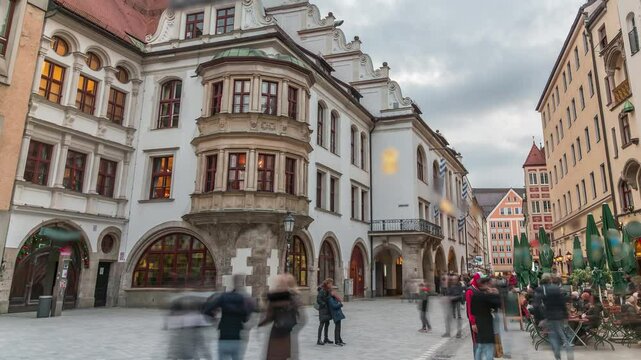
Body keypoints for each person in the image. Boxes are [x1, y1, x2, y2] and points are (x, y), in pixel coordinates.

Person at [203, 274, 255, 360]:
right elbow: (246, 318)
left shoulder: (223, 297)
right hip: (237, 337)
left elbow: (207, 309)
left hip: (223, 335)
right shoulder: (244, 298)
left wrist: (214, 319)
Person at [259, 274, 304, 360]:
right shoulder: (295, 298)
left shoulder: (276, 298)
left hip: (277, 335)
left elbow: (267, 317)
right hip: (289, 336)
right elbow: (302, 319)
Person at [537, 275, 573, 360]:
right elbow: (562, 304)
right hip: (559, 316)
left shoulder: (545, 291)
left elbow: (542, 305)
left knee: (553, 336)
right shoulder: (559, 291)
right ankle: (569, 350)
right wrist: (565, 315)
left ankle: (557, 355)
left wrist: (542, 317)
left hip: (550, 316)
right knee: (562, 335)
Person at [471, 277, 501, 360]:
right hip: (487, 323)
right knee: (489, 346)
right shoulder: (486, 296)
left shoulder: (475, 294)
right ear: (486, 284)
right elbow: (499, 304)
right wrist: (496, 293)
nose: (492, 285)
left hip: (479, 322)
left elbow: (472, 310)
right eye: (490, 283)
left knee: (480, 346)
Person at [465, 273, 482, 353]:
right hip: (474, 319)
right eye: (479, 280)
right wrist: (473, 323)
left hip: (480, 318)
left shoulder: (479, 289)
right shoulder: (470, 291)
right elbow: (469, 308)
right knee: (476, 342)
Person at [316, 279, 333, 345]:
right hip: (323, 309)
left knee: (327, 323)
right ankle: (319, 339)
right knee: (322, 323)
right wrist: (324, 304)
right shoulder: (322, 290)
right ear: (327, 283)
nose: (331, 285)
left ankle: (326, 338)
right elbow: (318, 300)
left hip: (327, 309)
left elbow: (328, 298)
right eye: (331, 283)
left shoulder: (328, 290)